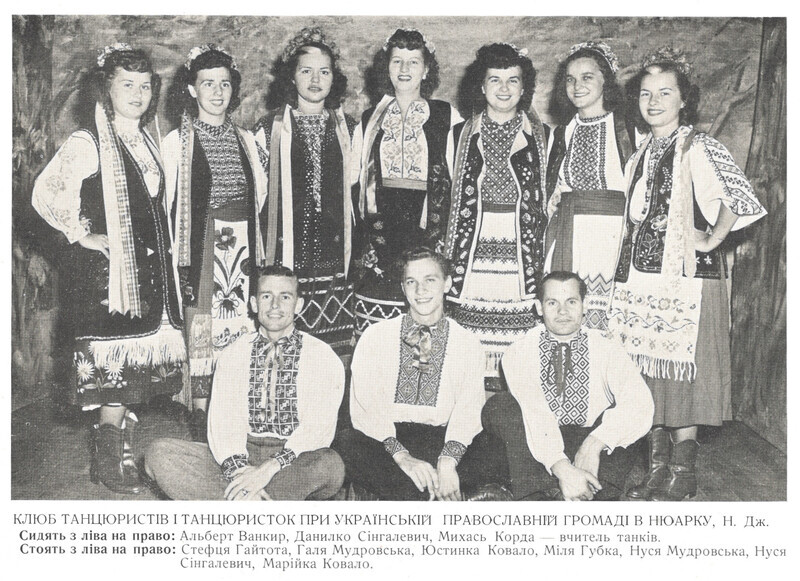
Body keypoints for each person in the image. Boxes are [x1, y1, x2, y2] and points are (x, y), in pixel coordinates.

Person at [606, 48, 767, 501]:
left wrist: (710, 239)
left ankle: (683, 473)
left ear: (683, 100)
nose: (653, 102)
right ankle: (656, 470)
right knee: (647, 377)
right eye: (645, 94)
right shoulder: (641, 151)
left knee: (682, 379)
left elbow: (740, 199)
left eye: (665, 93)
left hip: (687, 283)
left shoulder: (698, 146)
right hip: (641, 280)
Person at [31, 44, 185, 494]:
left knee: (137, 375)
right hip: (111, 281)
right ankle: (108, 454)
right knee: (117, 376)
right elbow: (47, 192)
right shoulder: (89, 141)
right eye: (126, 84)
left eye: (144, 86)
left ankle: (116, 442)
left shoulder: (146, 139)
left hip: (149, 277)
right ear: (106, 88)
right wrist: (81, 235)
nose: (137, 94)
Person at [145, 265, 346, 500]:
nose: (275, 305)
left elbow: (318, 429)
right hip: (241, 451)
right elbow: (223, 423)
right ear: (253, 303)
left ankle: (238, 506)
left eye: (285, 297)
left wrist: (268, 469)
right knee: (157, 455)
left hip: (293, 459)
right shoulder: (234, 353)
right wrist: (240, 473)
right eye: (266, 296)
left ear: (298, 305)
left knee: (330, 465)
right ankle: (260, 505)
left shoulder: (321, 355)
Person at [335, 247, 506, 500]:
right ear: (403, 288)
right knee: (347, 442)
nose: (420, 290)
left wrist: (448, 461)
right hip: (387, 442)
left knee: (495, 448)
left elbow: (468, 409)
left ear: (446, 284)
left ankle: (424, 490)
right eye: (411, 282)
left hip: (444, 439)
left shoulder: (466, 342)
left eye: (430, 280)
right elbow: (366, 408)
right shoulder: (375, 337)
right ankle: (427, 495)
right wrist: (403, 457)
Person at [162, 45, 267, 441]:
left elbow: (258, 194)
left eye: (224, 83)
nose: (217, 92)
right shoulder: (177, 143)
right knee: (203, 323)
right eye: (208, 83)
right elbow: (169, 199)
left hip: (241, 243)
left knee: (239, 321)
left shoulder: (245, 139)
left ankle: (234, 406)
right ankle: (202, 415)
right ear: (191, 89)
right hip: (203, 245)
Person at [483, 271, 654, 501]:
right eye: (552, 302)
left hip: (588, 441)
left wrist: (594, 444)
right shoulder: (519, 351)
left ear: (585, 305)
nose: (562, 312)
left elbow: (640, 402)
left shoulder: (607, 348)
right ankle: (542, 494)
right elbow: (534, 413)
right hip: (536, 446)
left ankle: (594, 492)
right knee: (500, 405)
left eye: (571, 302)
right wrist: (562, 467)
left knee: (627, 420)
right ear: (539, 307)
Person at [443, 43, 549, 391]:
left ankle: (512, 407)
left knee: (517, 328)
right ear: (481, 86)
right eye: (495, 80)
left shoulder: (542, 136)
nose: (504, 89)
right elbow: (448, 195)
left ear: (524, 87)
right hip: (474, 243)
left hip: (520, 246)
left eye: (513, 80)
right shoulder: (460, 135)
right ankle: (474, 410)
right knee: (473, 331)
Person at [351, 28, 462, 337]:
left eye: (413, 62)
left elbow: (456, 172)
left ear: (426, 70)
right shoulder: (370, 118)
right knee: (382, 300)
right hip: (383, 221)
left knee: (423, 293)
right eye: (397, 61)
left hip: (426, 221)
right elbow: (354, 179)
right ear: (386, 67)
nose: (404, 70)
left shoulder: (445, 114)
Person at [253, 28, 356, 358]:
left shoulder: (349, 128)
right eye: (306, 71)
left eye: (324, 71)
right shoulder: (269, 130)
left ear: (333, 78)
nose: (316, 79)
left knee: (333, 355)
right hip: (286, 258)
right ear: (291, 77)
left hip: (335, 263)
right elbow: (257, 196)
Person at [544, 40, 633, 330]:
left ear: (605, 81)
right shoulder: (563, 132)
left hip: (611, 237)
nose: (577, 86)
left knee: (605, 319)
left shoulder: (626, 127)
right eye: (570, 79)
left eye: (587, 77)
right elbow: (555, 187)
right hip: (571, 234)